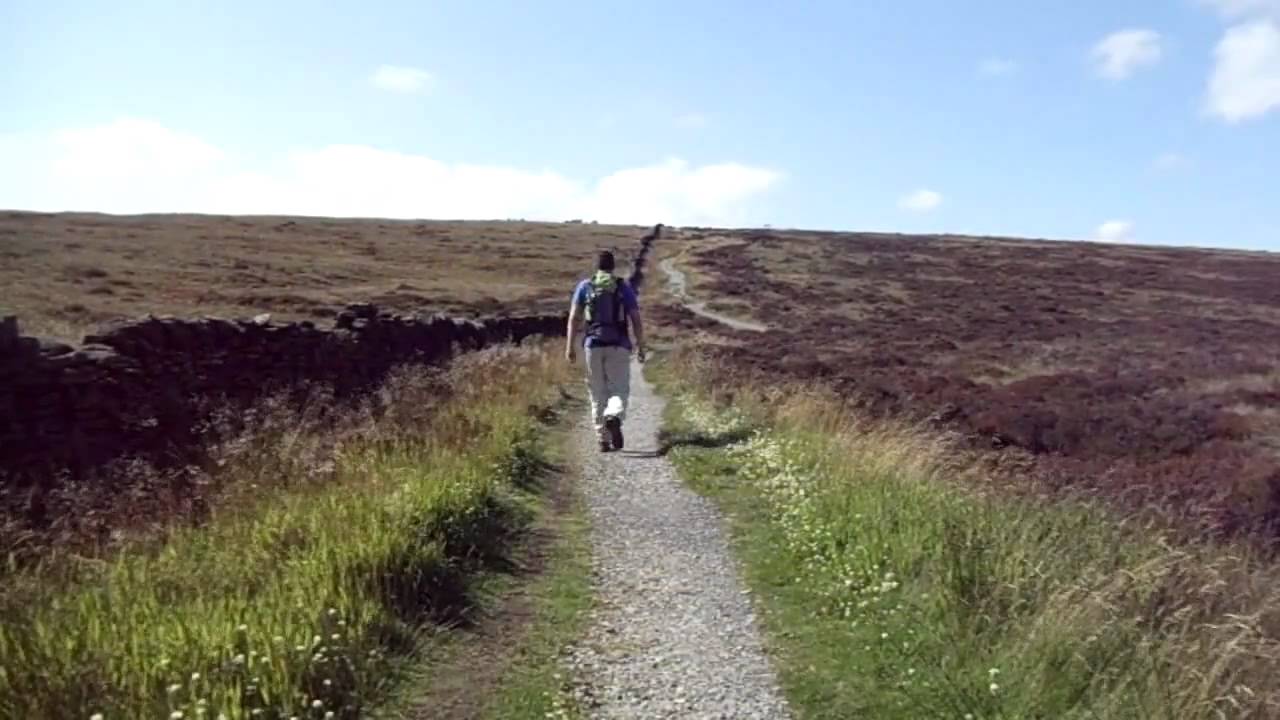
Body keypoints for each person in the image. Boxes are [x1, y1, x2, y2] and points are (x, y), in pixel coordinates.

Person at [566, 250, 646, 452]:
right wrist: (641, 345)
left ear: (597, 266)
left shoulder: (585, 286)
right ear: (613, 266)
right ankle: (614, 416)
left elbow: (574, 318)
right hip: (619, 344)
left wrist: (570, 347)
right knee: (619, 389)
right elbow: (636, 318)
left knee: (597, 392)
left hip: (593, 345)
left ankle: (602, 439)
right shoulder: (623, 287)